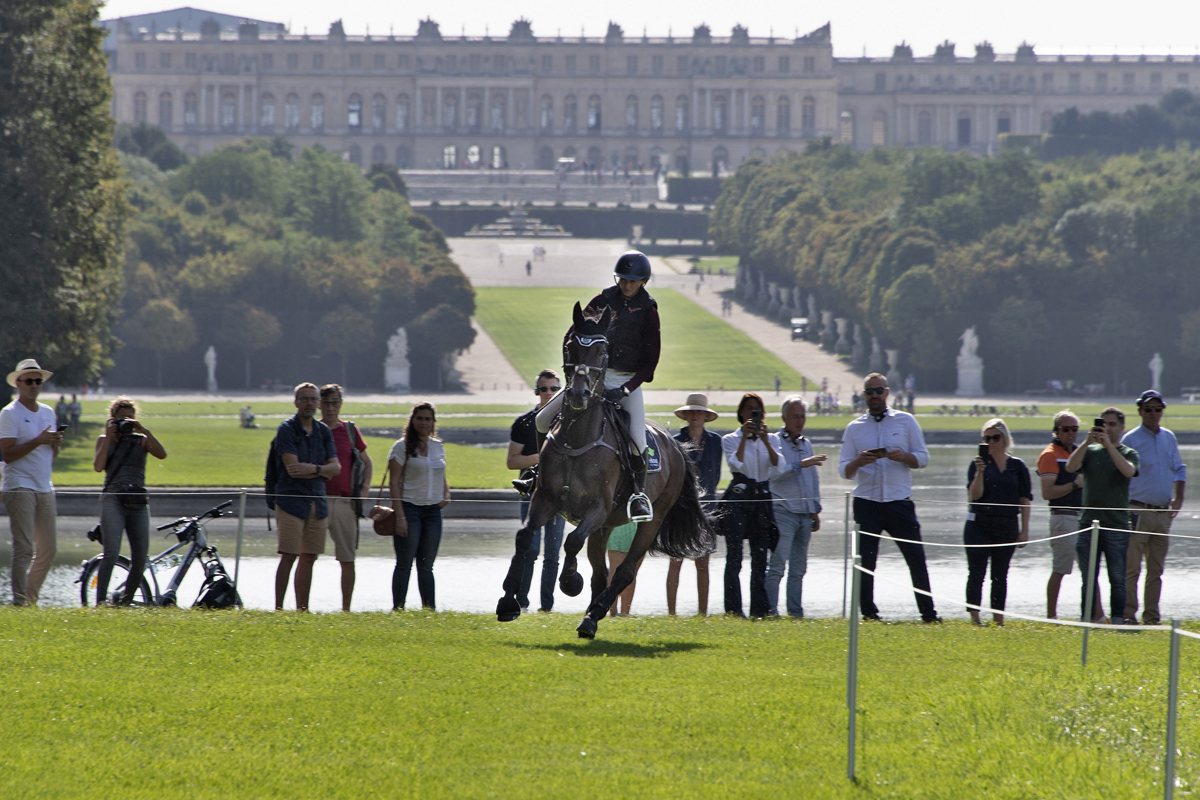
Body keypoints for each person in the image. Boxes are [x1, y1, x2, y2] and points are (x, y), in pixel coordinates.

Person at [536, 251, 660, 522]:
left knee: (638, 441)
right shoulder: (602, 300)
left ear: (643, 282)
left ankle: (638, 495)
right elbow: (572, 335)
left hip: (625, 381)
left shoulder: (649, 312)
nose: (627, 285)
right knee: (542, 419)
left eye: (633, 281)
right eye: (623, 279)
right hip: (589, 378)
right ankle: (538, 477)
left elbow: (650, 365)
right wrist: (574, 375)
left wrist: (626, 390)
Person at [838, 373, 941, 623]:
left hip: (899, 501)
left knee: (916, 559)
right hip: (867, 502)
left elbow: (923, 458)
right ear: (864, 396)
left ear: (887, 392)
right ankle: (868, 614)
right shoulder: (854, 428)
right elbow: (844, 470)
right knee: (866, 563)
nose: (874, 396)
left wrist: (904, 457)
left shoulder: (906, 421)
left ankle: (928, 614)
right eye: (869, 392)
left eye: (878, 390)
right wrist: (858, 461)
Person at [1065, 406, 1139, 624]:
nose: (1107, 428)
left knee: (1117, 578)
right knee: (1088, 578)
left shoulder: (1128, 453)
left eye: (1112, 424)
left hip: (1116, 525)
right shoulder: (1089, 451)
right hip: (1089, 524)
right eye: (1103, 424)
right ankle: (1087, 619)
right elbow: (1070, 467)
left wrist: (1108, 446)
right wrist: (1088, 442)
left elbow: (1128, 471)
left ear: (1122, 427)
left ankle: (1118, 620)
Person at [272, 382, 340, 612]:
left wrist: (314, 470)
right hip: (291, 500)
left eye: (313, 399)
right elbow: (292, 469)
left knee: (309, 557)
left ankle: (303, 609)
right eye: (305, 399)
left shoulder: (323, 432)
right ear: (296, 402)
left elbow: (336, 467)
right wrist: (322, 470)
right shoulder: (287, 429)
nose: (309, 403)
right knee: (289, 555)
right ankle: (279, 609)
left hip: (317, 502)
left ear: (318, 403)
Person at [92, 397, 167, 605]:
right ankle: (100, 603)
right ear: (113, 419)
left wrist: (145, 431)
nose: (127, 423)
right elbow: (98, 467)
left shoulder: (141, 440)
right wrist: (109, 436)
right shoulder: (103, 440)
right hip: (113, 498)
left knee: (140, 558)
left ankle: (125, 603)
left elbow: (162, 455)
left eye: (131, 419)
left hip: (138, 502)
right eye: (122, 418)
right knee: (111, 553)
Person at [0, 359, 63, 606]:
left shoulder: (48, 412)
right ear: (18, 384)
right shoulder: (9, 413)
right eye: (29, 381)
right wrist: (39, 440)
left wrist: (55, 443)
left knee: (49, 550)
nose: (34, 385)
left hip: (45, 486)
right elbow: (8, 454)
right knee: (24, 548)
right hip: (19, 485)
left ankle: (29, 599)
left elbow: (51, 455)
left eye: (38, 381)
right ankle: (19, 603)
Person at [1122, 390, 1186, 625]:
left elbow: (1179, 468)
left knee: (1156, 570)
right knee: (1132, 568)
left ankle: (1152, 617)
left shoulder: (1169, 437)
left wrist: (1179, 498)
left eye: (1158, 409)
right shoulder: (1130, 439)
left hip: (1163, 512)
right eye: (1148, 409)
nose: (1153, 413)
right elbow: (1123, 474)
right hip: (1138, 510)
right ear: (1140, 411)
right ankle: (1129, 614)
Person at [721, 393, 785, 618]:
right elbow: (735, 466)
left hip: (762, 500)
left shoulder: (774, 439)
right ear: (741, 413)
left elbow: (779, 466)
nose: (752, 413)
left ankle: (760, 610)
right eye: (749, 409)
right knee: (735, 558)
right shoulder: (730, 439)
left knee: (760, 559)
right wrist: (744, 438)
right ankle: (733, 610)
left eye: (757, 409)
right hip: (739, 499)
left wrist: (766, 441)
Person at [507, 369, 566, 614]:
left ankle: (547, 607)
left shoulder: (569, 423)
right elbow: (512, 462)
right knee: (529, 550)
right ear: (536, 392)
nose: (549, 393)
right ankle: (521, 602)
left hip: (561, 496)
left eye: (554, 389)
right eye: (544, 389)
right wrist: (540, 458)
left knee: (553, 554)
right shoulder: (523, 423)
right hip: (530, 495)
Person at [964, 419, 1031, 626]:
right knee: (976, 573)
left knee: (1000, 575)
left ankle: (998, 619)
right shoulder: (977, 465)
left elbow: (1025, 500)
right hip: (979, 524)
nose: (992, 442)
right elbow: (975, 495)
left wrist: (1024, 530)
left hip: (1007, 525)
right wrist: (980, 472)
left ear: (1004, 438)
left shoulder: (1017, 466)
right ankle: (975, 619)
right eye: (987, 438)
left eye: (996, 437)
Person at [766, 396, 825, 618]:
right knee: (778, 564)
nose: (799, 421)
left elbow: (812, 478)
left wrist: (815, 510)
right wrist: (801, 464)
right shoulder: (773, 441)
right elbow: (774, 473)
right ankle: (770, 611)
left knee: (799, 569)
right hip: (783, 511)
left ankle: (795, 612)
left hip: (804, 515)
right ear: (784, 418)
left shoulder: (806, 443)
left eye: (802, 416)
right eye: (795, 417)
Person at [1037, 410, 1099, 620]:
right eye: (1066, 429)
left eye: (1074, 429)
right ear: (1056, 431)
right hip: (1063, 517)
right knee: (1061, 568)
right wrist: (1074, 484)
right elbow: (1048, 492)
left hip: (1084, 518)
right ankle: (1051, 617)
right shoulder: (1049, 454)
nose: (1071, 433)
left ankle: (1096, 616)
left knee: (1090, 570)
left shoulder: (1080, 453)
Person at [388, 402, 450, 610]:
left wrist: (446, 494)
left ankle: (429, 610)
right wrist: (400, 517)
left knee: (426, 566)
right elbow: (394, 482)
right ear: (412, 420)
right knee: (405, 564)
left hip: (433, 512)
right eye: (420, 418)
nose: (424, 422)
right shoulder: (401, 446)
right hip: (409, 509)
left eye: (428, 419)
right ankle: (398, 609)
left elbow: (440, 474)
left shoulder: (437, 446)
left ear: (433, 422)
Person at [319, 384, 373, 613]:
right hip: (317, 501)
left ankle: (346, 610)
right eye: (326, 403)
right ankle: (302, 610)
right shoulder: (312, 430)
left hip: (345, 502)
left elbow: (366, 462)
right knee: (307, 556)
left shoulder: (349, 430)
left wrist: (363, 491)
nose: (331, 408)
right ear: (319, 404)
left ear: (340, 404)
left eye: (335, 403)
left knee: (347, 558)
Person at [668, 393, 722, 616]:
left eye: (700, 411)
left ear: (706, 415)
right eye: (692, 411)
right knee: (676, 561)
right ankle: (672, 613)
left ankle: (702, 614)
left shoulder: (716, 441)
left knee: (703, 563)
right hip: (680, 508)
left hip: (707, 508)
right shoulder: (675, 440)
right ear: (687, 415)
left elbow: (716, 475)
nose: (696, 415)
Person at [606, 521, 643, 615]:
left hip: (613, 525)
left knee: (613, 570)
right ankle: (625, 613)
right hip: (634, 524)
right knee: (631, 571)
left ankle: (613, 612)